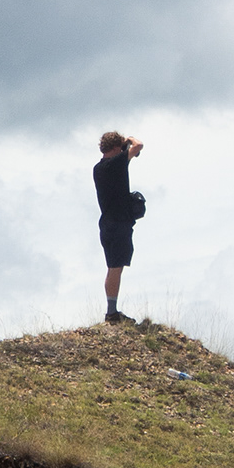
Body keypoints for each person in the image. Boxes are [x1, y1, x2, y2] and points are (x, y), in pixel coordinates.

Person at [93, 129, 144, 323]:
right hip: (118, 224)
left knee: (114, 266)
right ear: (116, 147)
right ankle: (112, 314)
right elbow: (139, 145)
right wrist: (129, 139)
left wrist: (123, 148)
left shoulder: (99, 168)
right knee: (115, 267)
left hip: (108, 224)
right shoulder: (116, 163)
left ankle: (112, 310)